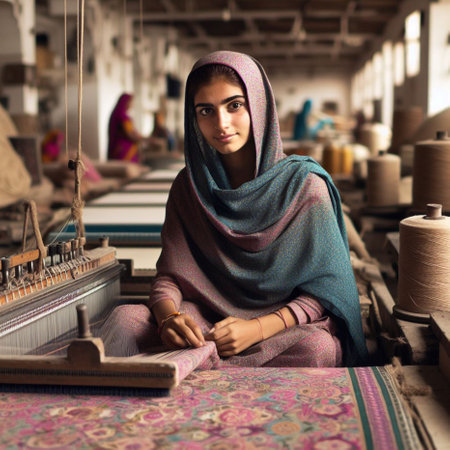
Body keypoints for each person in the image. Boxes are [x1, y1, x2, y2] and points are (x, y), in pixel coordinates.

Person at [105, 51, 368, 367]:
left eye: (234, 105)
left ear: (258, 104)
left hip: (278, 329)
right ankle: (199, 361)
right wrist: (169, 319)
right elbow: (170, 277)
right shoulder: (190, 187)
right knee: (125, 321)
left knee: (317, 349)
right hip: (206, 326)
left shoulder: (305, 186)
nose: (221, 123)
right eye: (206, 111)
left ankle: (195, 369)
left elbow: (324, 295)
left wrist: (256, 328)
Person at [107, 93, 145, 162]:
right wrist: (144, 139)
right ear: (126, 102)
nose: (132, 104)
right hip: (124, 151)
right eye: (131, 102)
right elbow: (130, 135)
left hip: (122, 150)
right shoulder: (122, 116)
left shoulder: (117, 113)